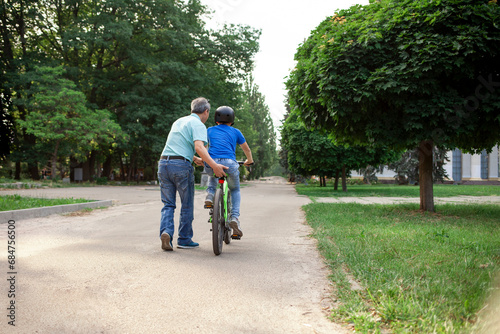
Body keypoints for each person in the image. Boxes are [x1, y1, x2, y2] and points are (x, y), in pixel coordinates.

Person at [158, 97, 228, 251]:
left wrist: (194, 158)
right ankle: (184, 239)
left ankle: (166, 233)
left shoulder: (179, 121)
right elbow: (199, 147)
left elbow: (179, 145)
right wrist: (214, 165)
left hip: (164, 163)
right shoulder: (199, 124)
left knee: (168, 204)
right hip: (181, 167)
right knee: (187, 204)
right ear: (206, 111)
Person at [204, 106, 253, 238]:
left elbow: (204, 146)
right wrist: (249, 160)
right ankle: (234, 218)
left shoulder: (209, 130)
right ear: (232, 121)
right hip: (230, 163)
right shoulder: (236, 132)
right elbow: (246, 149)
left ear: (216, 120)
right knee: (235, 190)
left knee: (213, 170)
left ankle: (210, 195)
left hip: (212, 162)